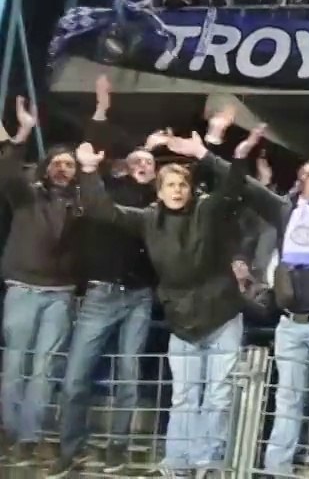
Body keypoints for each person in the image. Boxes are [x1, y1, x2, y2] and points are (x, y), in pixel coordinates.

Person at [79, 123, 263, 472]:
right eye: (170, 186)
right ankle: (178, 460)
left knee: (218, 395)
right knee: (184, 396)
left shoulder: (205, 212)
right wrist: (89, 172)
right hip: (182, 320)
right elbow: (105, 212)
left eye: (182, 185)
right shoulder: (149, 219)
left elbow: (230, 190)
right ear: (159, 192)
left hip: (221, 314)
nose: (177, 190)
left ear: (190, 190)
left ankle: (209, 461)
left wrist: (237, 158)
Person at [52, 77, 163, 476]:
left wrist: (157, 151)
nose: (142, 166)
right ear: (124, 167)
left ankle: (117, 448)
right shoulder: (110, 190)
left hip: (139, 295)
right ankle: (71, 450)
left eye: (149, 164)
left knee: (129, 377)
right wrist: (101, 109)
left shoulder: (162, 203)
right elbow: (92, 154)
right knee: (77, 375)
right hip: (101, 293)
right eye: (136, 162)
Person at [238, 112, 309, 479]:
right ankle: (277, 469)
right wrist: (222, 153)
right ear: (299, 184)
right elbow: (248, 188)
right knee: (288, 399)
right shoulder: (286, 213)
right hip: (290, 324)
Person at [0, 98, 80, 466]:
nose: (63, 169)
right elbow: (6, 172)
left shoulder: (81, 205)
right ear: (46, 168)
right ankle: (9, 431)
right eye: (58, 163)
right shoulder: (27, 195)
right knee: (15, 365)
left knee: (45, 371)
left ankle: (29, 438)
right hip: (23, 289)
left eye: (70, 165)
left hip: (60, 295)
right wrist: (23, 133)